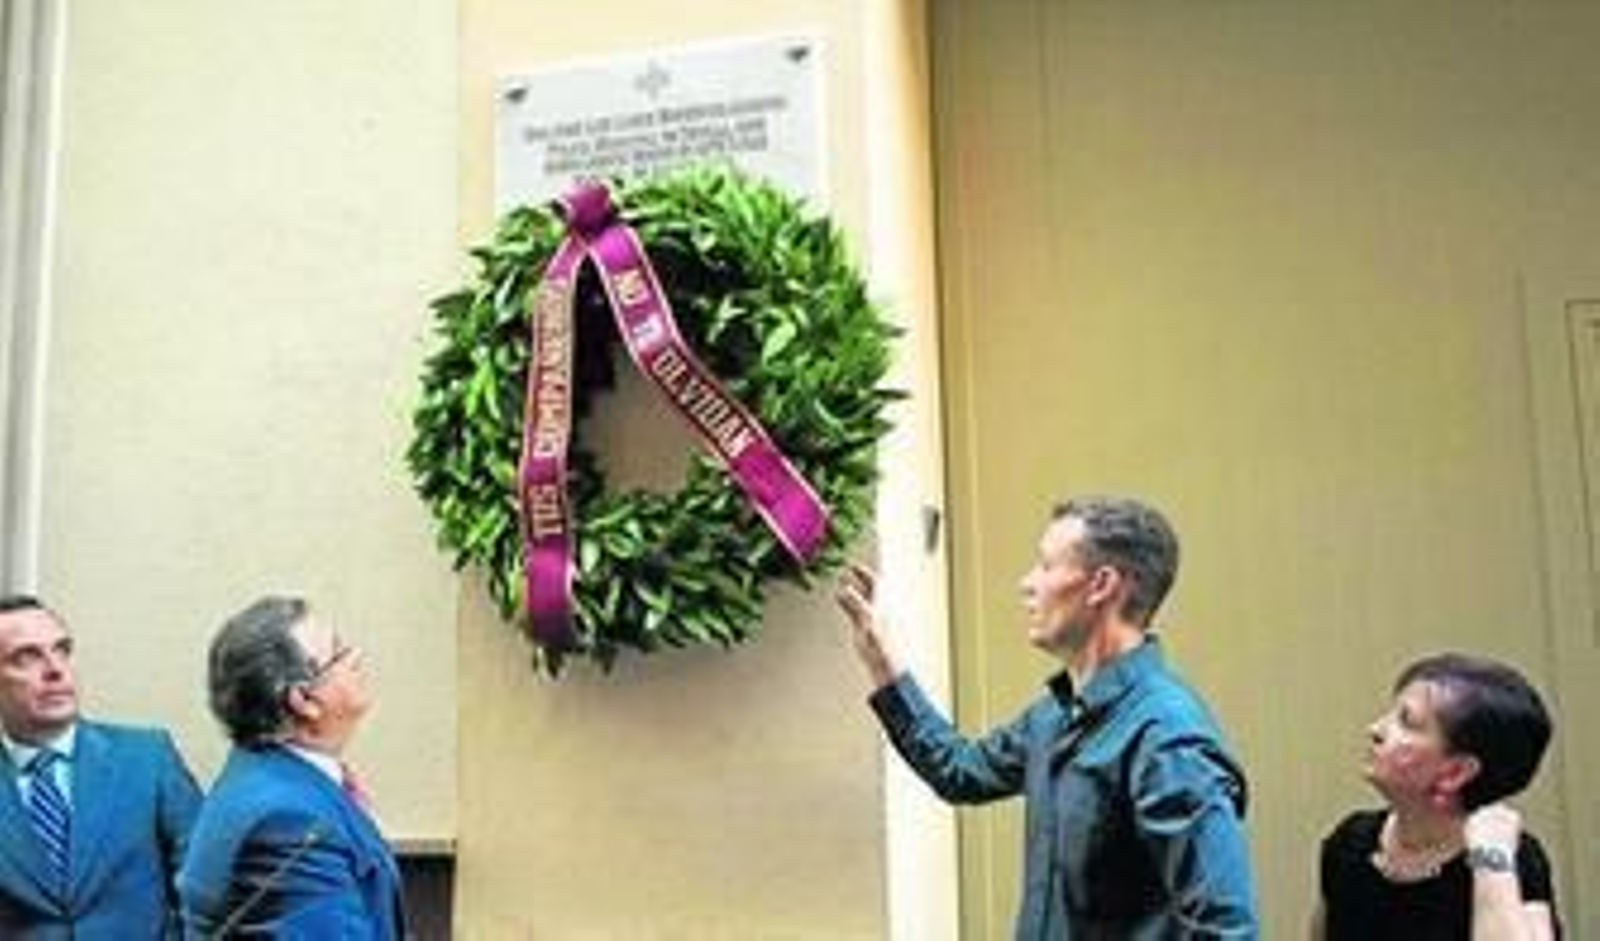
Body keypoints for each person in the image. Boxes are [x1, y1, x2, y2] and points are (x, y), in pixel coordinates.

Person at [836, 495, 1257, 938]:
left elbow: (1225, 930)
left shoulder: (1167, 737)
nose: (1026, 584)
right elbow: (959, 771)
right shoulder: (1055, 715)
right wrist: (883, 663)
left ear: (1101, 585)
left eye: (1045, 565)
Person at [177, 595, 405, 938]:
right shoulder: (286, 821)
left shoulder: (271, 779)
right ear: (304, 700)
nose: (356, 658)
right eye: (339, 654)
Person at [1314, 653, 1559, 940]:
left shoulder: (1510, 857)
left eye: (1406, 721)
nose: (1376, 730)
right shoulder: (1351, 843)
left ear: (1456, 772)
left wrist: (1491, 863)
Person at [0, 594, 202, 938]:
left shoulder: (147, 758)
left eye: (62, 649)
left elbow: (207, 886)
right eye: (27, 656)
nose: (55, 669)